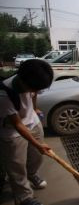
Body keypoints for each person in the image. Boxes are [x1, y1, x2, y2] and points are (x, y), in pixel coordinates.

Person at [0, 59, 53, 205]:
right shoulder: (4, 94)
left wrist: (34, 109)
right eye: (32, 88)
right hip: (12, 131)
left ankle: (32, 174)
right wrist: (37, 144)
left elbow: (34, 94)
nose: (34, 91)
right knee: (16, 166)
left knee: (36, 157)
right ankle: (24, 197)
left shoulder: (33, 82)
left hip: (33, 123)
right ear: (22, 79)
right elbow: (17, 124)